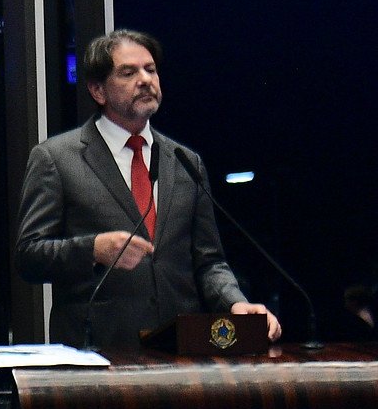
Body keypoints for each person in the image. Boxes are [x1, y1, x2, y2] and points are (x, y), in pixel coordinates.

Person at [15, 29, 281, 352]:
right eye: (128, 72)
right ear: (98, 90)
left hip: (182, 356)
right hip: (98, 356)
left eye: (150, 70)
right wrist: (93, 249)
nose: (145, 79)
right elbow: (28, 256)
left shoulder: (185, 162)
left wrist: (236, 303)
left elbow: (208, 261)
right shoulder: (57, 159)